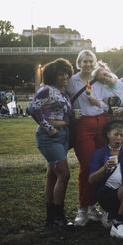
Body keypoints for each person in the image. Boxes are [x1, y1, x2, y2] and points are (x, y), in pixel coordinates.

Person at [64, 49, 109, 227]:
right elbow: (64, 101)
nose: (88, 64)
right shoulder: (72, 81)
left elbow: (111, 104)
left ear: (95, 62)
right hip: (83, 125)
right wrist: (71, 113)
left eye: (91, 61)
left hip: (102, 124)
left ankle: (101, 207)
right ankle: (84, 207)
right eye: (85, 61)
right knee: (87, 166)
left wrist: (99, 103)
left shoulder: (101, 80)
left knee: (103, 165)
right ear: (79, 63)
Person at [28, 58, 74, 228]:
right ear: (52, 76)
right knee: (64, 174)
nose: (64, 77)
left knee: (53, 175)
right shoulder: (46, 90)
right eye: (60, 74)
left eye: (66, 73)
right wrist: (48, 128)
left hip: (62, 136)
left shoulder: (64, 93)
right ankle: (58, 217)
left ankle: (51, 218)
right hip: (50, 137)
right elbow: (32, 109)